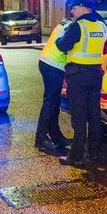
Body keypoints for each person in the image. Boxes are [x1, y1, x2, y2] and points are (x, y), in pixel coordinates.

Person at [55, 0, 107, 167]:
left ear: (82, 8)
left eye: (73, 8)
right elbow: (104, 48)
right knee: (94, 116)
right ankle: (94, 153)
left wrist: (60, 38)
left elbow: (63, 46)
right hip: (95, 74)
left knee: (79, 117)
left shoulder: (77, 26)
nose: (71, 11)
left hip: (78, 76)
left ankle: (76, 156)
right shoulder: (102, 26)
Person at [35, 15, 73, 152]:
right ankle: (41, 139)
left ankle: (56, 136)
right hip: (53, 65)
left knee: (54, 103)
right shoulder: (73, 26)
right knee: (50, 103)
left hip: (48, 62)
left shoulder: (66, 21)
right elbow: (65, 46)